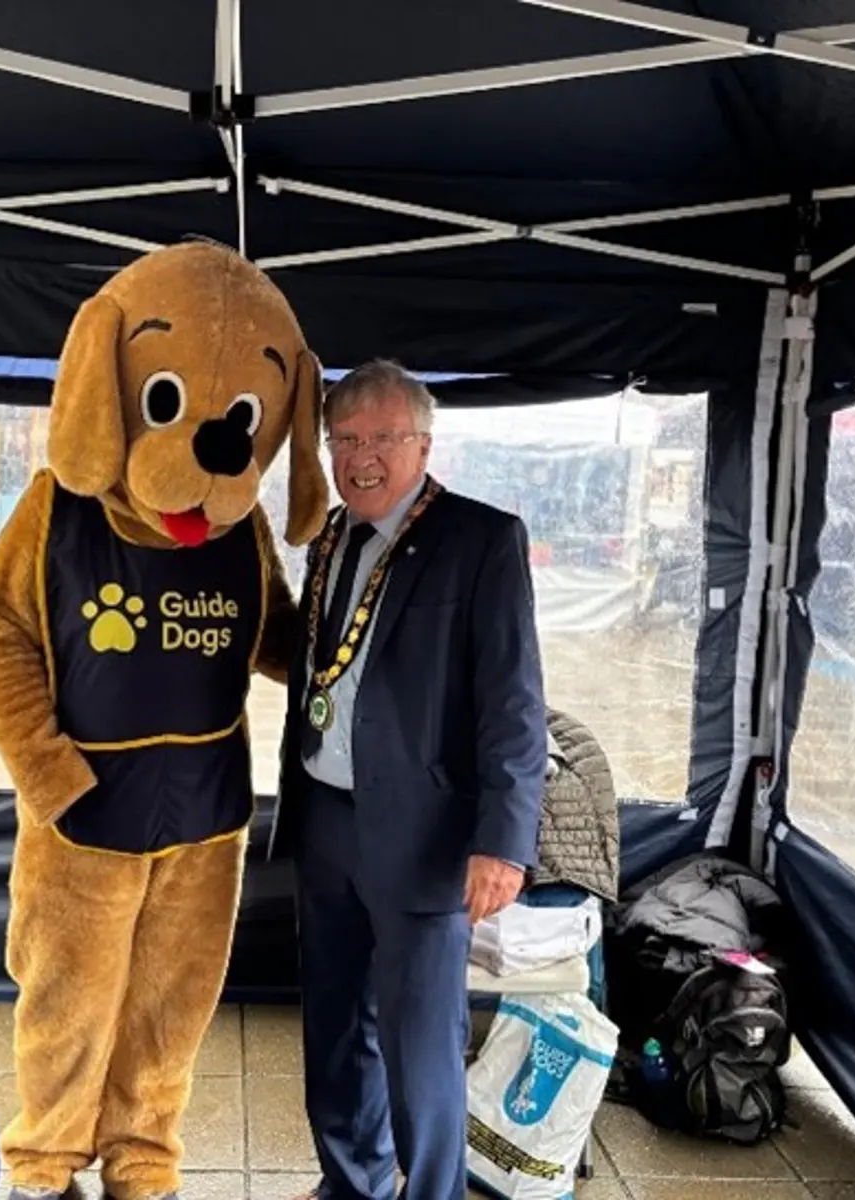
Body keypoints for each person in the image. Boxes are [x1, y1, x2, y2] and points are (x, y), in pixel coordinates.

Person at [270, 360, 548, 1200]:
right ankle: (351, 1180)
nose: (361, 456)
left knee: (420, 1040)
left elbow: (514, 703)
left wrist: (504, 841)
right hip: (325, 819)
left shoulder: (480, 541)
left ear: (422, 444)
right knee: (333, 1024)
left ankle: (430, 1190)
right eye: (344, 439)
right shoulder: (328, 538)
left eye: (382, 439)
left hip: (425, 836)